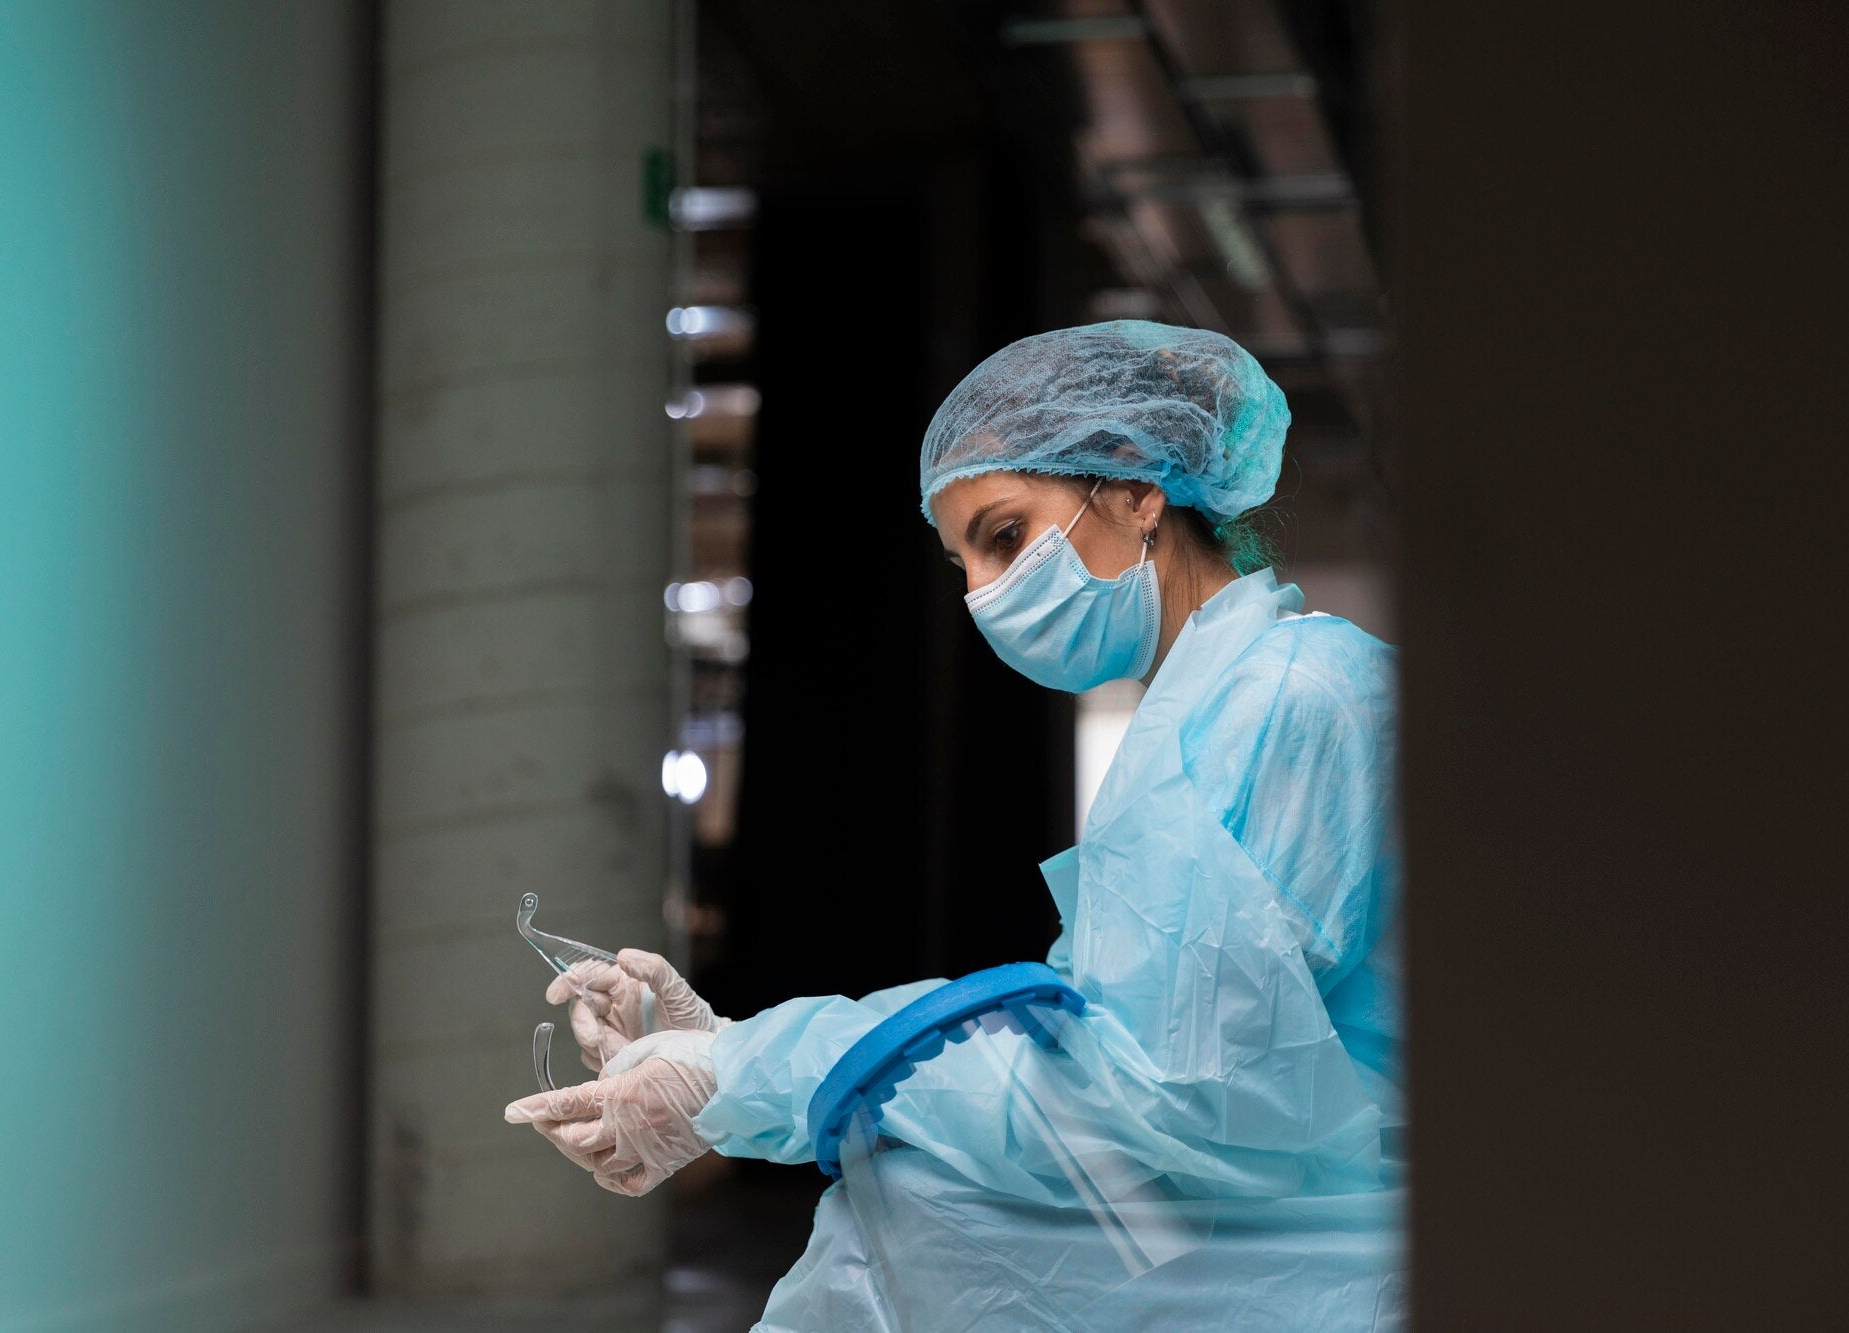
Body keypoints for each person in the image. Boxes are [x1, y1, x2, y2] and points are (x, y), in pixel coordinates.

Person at [506, 321, 1405, 1328]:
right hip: (1271, 1208)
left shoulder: (1298, 696)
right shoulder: (1203, 710)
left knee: (908, 1208)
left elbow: (1166, 1092)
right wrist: (737, 1051)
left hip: (1331, 1245)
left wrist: (751, 1075)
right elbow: (1100, 1035)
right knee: (905, 1194)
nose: (981, 595)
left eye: (1005, 535)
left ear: (1134, 488)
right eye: (960, 562)